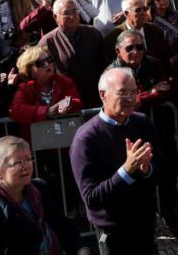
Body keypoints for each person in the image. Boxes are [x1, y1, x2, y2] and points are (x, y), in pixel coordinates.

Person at [69, 67, 161, 255]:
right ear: (103, 95)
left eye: (133, 92)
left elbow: (164, 169)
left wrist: (146, 169)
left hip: (145, 224)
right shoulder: (86, 138)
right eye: (122, 92)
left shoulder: (142, 123)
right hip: (114, 232)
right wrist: (126, 170)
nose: (130, 98)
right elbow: (91, 198)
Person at [0, 136, 87, 255]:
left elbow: (64, 228)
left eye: (29, 159)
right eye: (17, 163)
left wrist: (81, 249)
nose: (26, 166)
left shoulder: (39, 190)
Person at [38, 0, 105, 108]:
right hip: (67, 101)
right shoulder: (47, 42)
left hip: (96, 96)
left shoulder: (93, 34)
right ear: (55, 17)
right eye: (66, 13)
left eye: (75, 11)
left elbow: (105, 62)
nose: (72, 16)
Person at [8, 46, 82, 138]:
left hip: (64, 142)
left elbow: (77, 102)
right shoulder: (25, 88)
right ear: (30, 70)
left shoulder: (65, 82)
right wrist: (47, 111)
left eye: (49, 59)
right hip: (37, 146)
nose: (47, 64)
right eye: (40, 63)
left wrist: (70, 104)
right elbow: (15, 110)